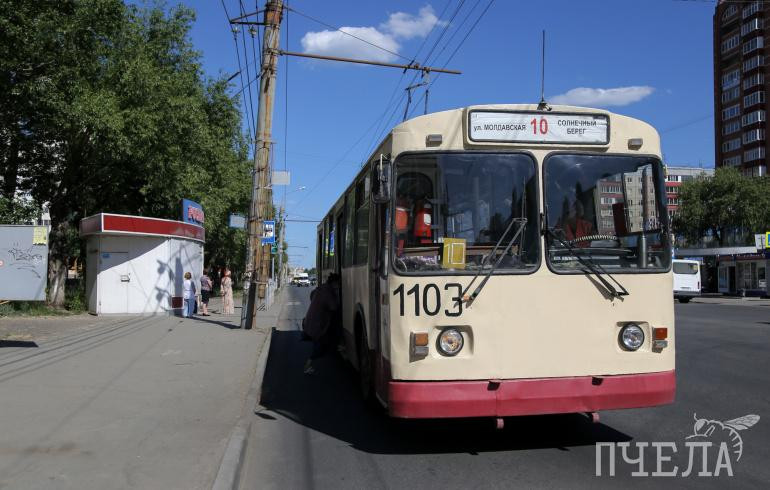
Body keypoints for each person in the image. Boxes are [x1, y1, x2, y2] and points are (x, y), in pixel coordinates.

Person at [302, 273, 341, 374]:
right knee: (320, 347)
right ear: (334, 283)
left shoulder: (321, 288)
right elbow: (334, 307)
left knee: (320, 345)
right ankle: (307, 366)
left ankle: (309, 365)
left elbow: (312, 295)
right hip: (317, 325)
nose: (338, 286)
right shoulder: (328, 292)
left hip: (311, 321)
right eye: (338, 284)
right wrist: (337, 294)